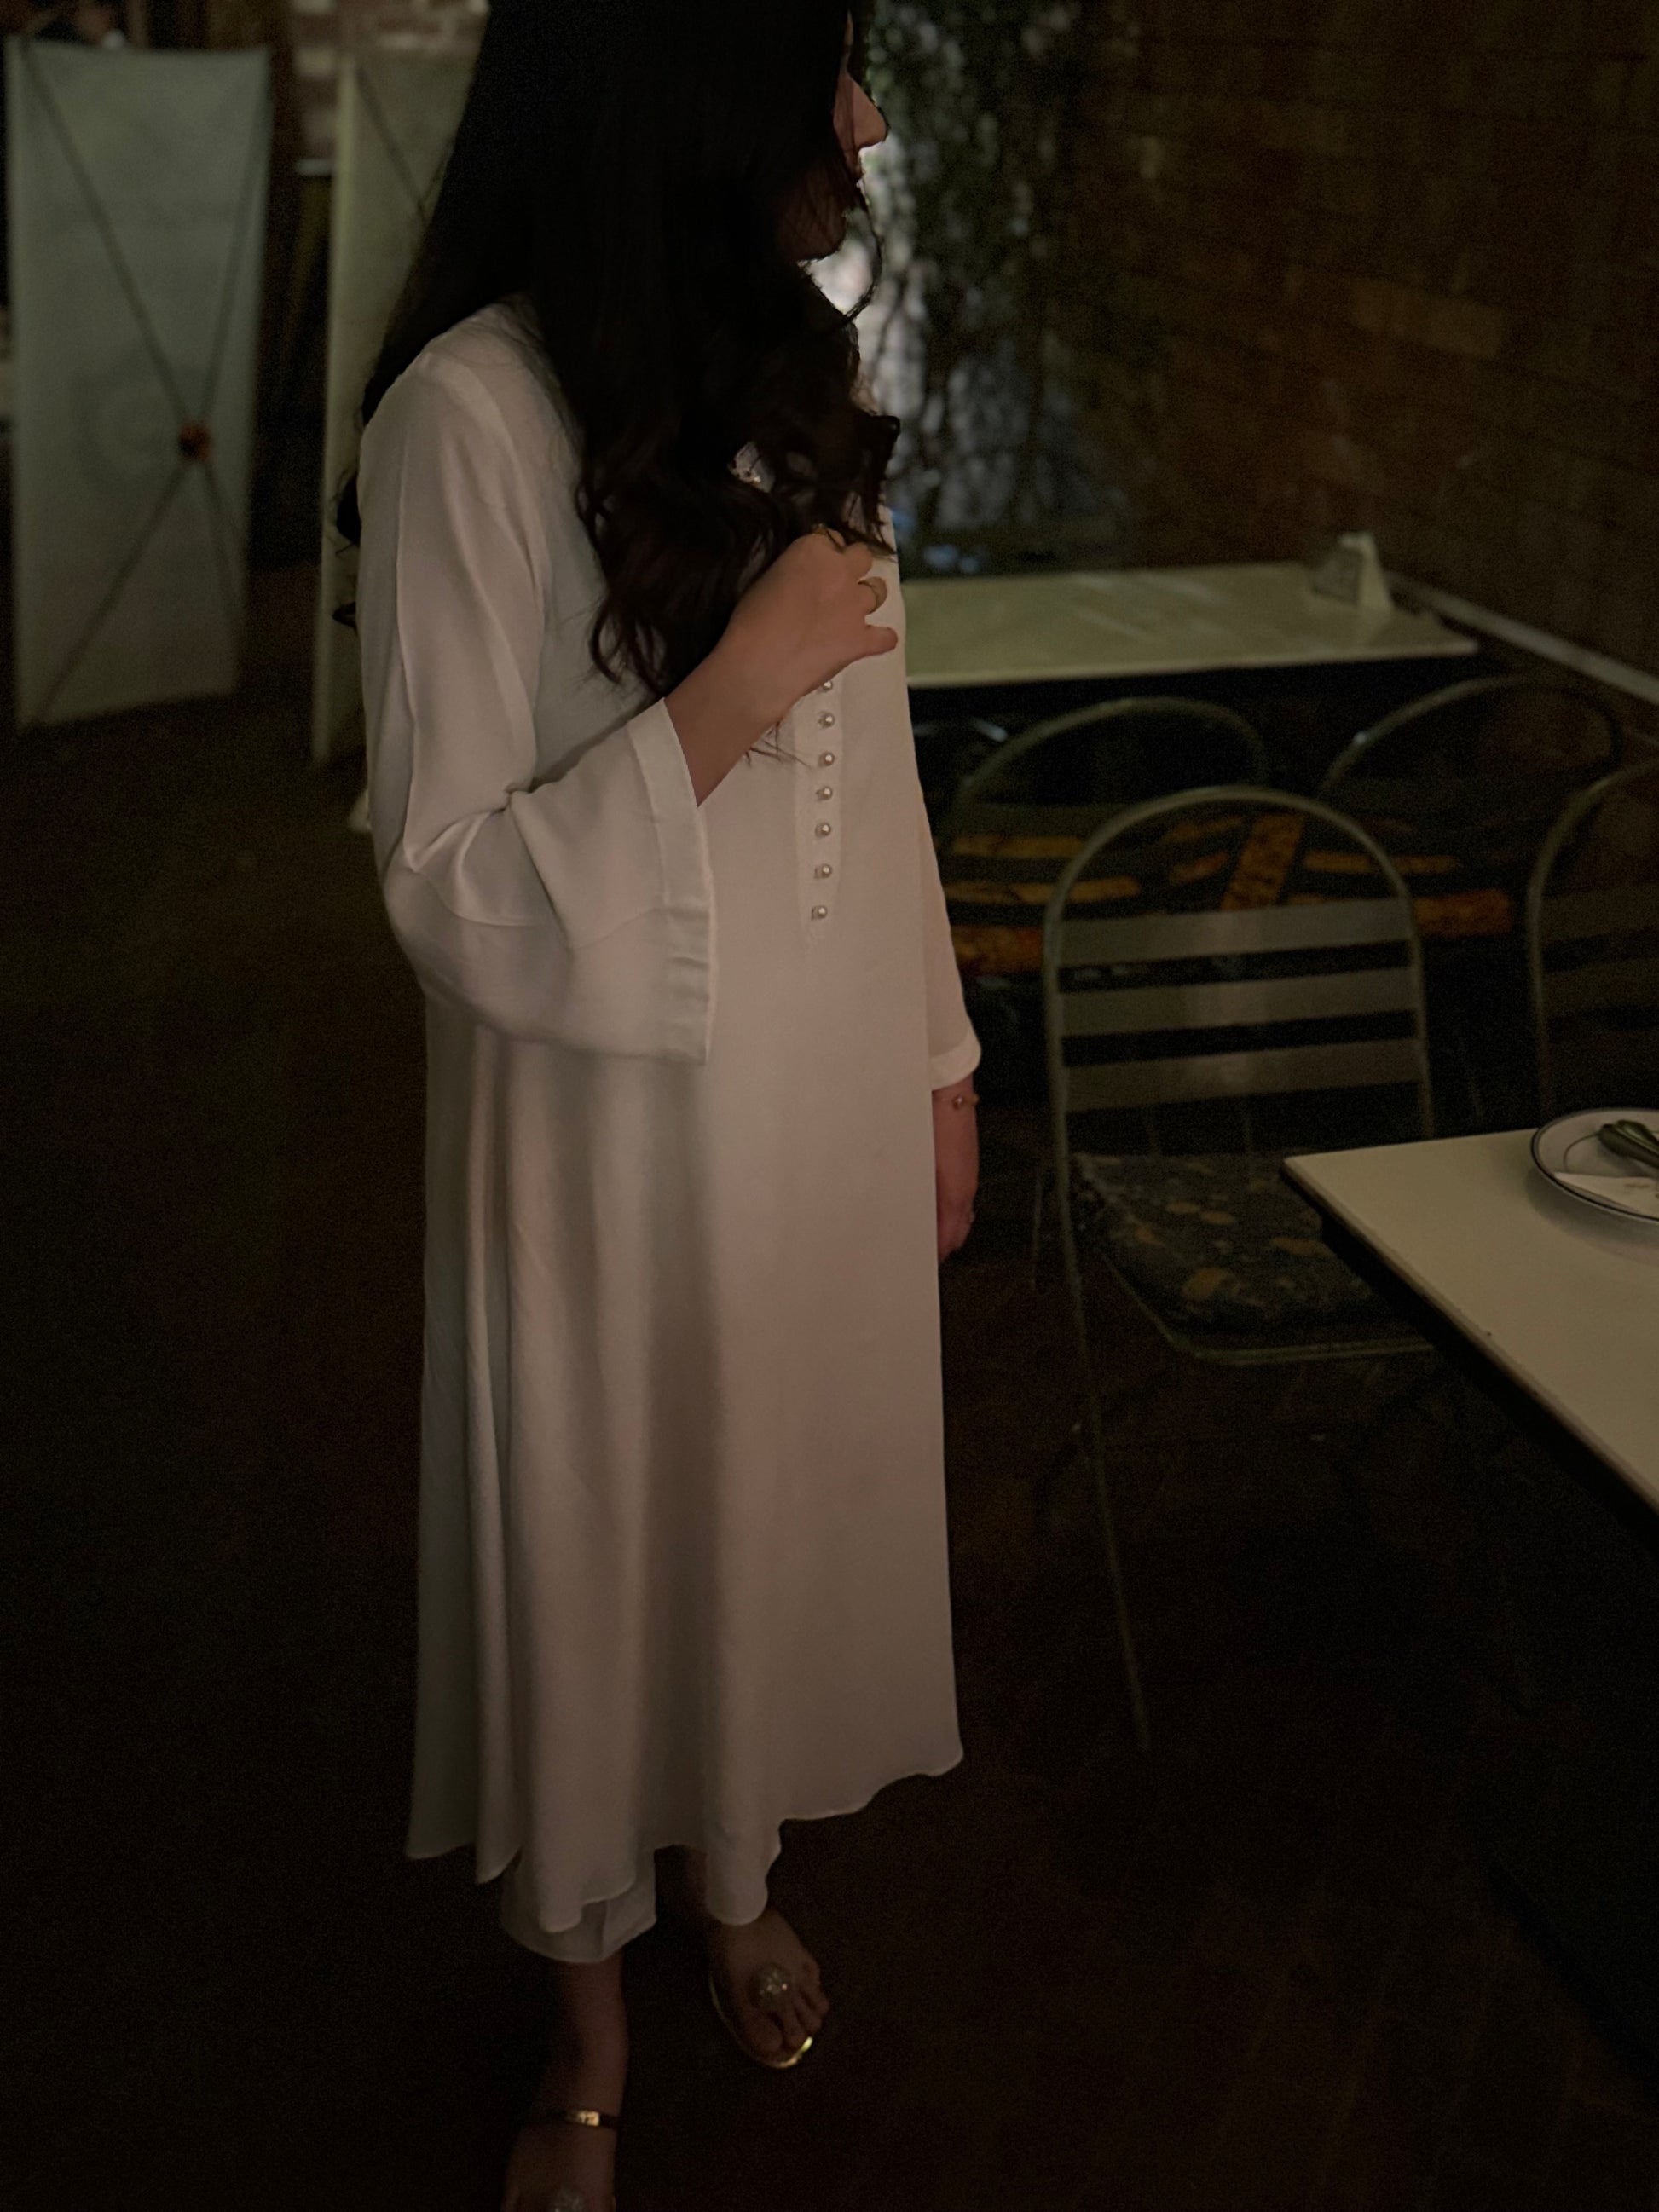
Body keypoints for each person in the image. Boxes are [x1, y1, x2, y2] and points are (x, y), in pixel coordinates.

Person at [336, 4, 980, 2206]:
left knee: (765, 1505)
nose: (864, 118)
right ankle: (587, 2018)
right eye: (831, 58)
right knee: (604, 1545)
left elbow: (877, 781)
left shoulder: (790, 382)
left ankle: (738, 1873)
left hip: (811, 1097)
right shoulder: (469, 418)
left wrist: (935, 1061)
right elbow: (439, 881)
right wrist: (729, 688)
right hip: (600, 1137)